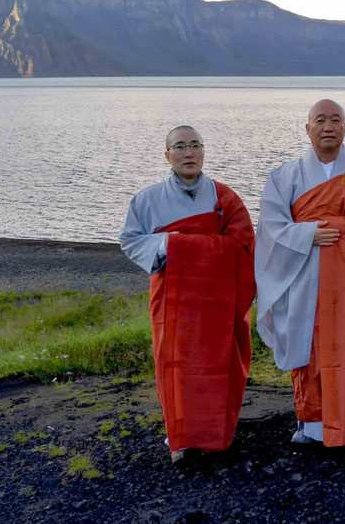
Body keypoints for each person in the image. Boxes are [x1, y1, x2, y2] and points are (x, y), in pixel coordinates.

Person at [255, 99, 345, 447]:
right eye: (320, 120)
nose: (328, 127)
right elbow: (271, 227)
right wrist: (307, 235)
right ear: (308, 129)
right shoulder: (285, 176)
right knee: (309, 347)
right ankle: (311, 422)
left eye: (336, 120)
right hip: (303, 278)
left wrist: (339, 230)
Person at [119, 125, 255, 465]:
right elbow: (131, 240)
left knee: (219, 365)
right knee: (176, 368)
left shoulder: (225, 198)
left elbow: (244, 244)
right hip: (173, 300)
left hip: (219, 302)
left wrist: (185, 243)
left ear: (204, 152)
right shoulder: (147, 200)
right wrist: (169, 243)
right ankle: (181, 438)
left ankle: (215, 436)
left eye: (195, 145)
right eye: (180, 146)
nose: (188, 152)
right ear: (167, 155)